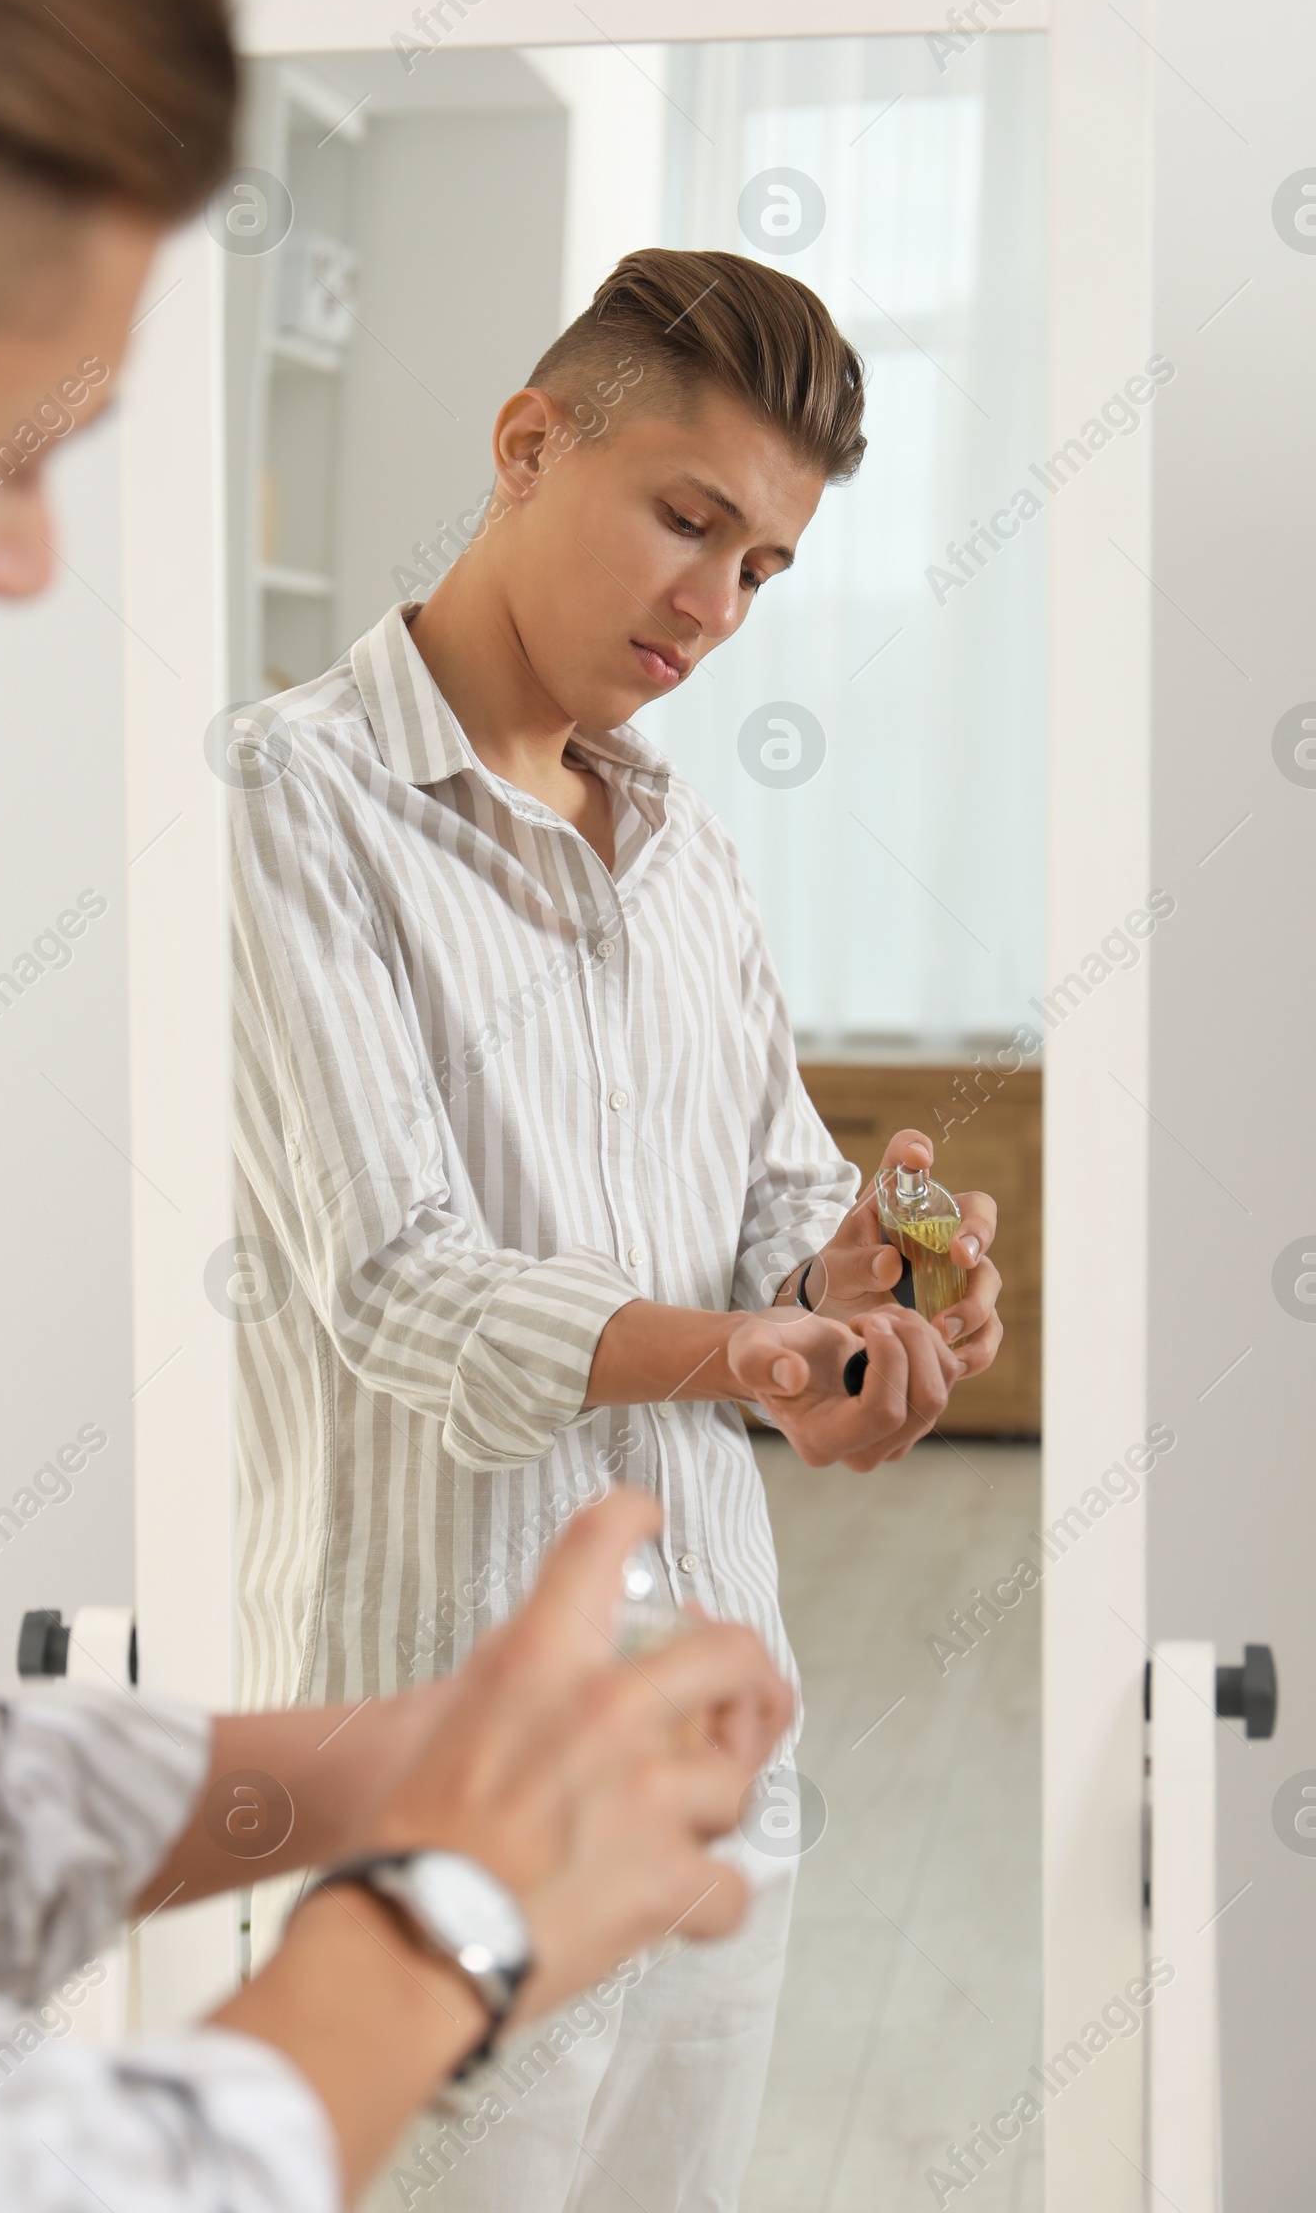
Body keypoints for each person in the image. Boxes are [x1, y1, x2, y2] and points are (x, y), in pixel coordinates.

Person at [0, 0, 797, 2208]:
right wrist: (442, 1912)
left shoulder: (691, 843)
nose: (26, 566)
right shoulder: (292, 800)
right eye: (22, 454)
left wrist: (399, 1775)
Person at [228, 246, 1005, 2211]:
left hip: (710, 1759)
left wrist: (848, 1303)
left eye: (762, 567)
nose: (715, 606)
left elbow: (763, 1196)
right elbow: (394, 1281)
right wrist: (721, 1346)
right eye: (687, 520)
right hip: (441, 1769)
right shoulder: (292, 796)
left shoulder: (685, 842)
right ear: (523, 444)